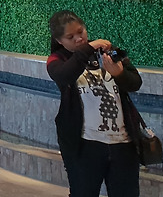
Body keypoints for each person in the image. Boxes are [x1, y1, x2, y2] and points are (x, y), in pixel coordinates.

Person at [47, 11, 143, 197]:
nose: (79, 39)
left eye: (80, 31)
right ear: (60, 41)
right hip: (85, 146)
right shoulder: (58, 60)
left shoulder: (107, 51)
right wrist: (89, 48)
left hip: (123, 143)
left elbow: (135, 82)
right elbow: (64, 76)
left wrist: (119, 74)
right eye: (70, 37)